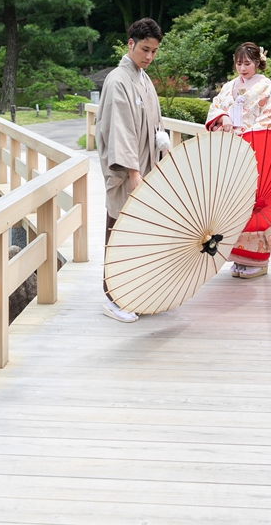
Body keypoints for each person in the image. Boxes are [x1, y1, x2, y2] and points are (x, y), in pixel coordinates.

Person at [96, 17, 165, 322]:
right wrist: (134, 173)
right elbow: (119, 130)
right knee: (121, 231)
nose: (149, 56)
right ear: (131, 44)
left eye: (154, 51)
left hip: (146, 167)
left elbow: (154, 121)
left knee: (142, 234)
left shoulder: (143, 78)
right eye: (145, 49)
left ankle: (138, 293)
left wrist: (161, 140)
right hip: (127, 174)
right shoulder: (118, 80)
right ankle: (114, 297)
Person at [206, 41, 271, 279]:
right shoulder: (229, 87)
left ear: (258, 62)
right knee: (232, 203)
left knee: (256, 204)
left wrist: (248, 135)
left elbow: (270, 117)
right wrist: (224, 118)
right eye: (239, 63)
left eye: (247, 63)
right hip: (231, 154)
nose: (242, 68)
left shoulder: (266, 86)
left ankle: (259, 260)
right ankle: (238, 258)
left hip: (256, 153)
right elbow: (215, 108)